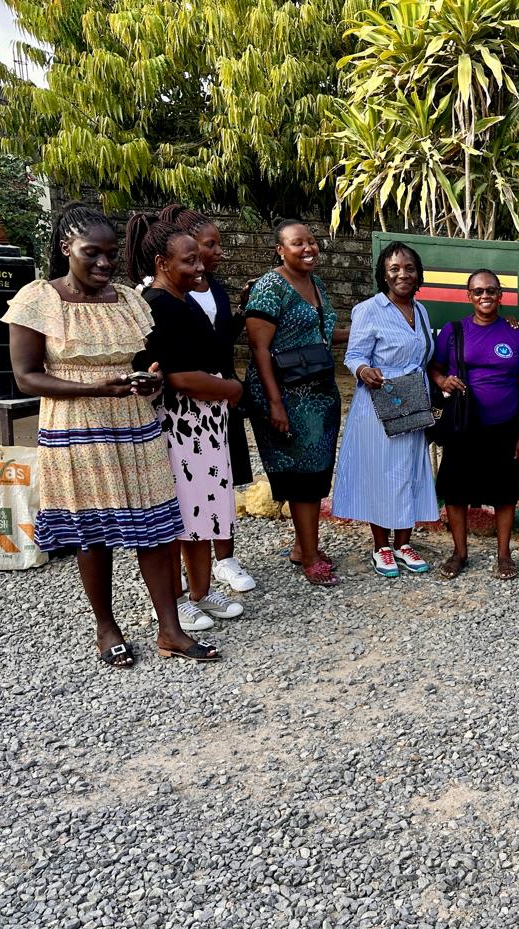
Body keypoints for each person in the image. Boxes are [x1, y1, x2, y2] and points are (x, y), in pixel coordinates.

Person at [2, 203, 218, 666]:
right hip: (75, 431)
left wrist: (150, 378)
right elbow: (25, 377)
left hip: (135, 425)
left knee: (155, 530)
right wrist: (93, 387)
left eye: (110, 254)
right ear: (66, 249)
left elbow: (137, 363)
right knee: (92, 533)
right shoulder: (37, 300)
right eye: (91, 253)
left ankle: (170, 630)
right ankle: (106, 626)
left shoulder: (129, 300)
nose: (103, 263)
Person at [128, 212, 246, 633]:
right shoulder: (158, 306)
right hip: (182, 426)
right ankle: (176, 600)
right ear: (163, 264)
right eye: (189, 261)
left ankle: (200, 592)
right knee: (181, 517)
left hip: (207, 424)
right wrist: (231, 390)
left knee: (206, 510)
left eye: (199, 259)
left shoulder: (184, 300)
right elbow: (173, 375)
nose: (199, 268)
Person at [158, 204, 256, 593]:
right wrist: (229, 388)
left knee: (220, 480)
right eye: (207, 247)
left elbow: (218, 343)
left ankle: (223, 561)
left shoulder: (213, 287)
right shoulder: (165, 297)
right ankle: (184, 584)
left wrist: (240, 314)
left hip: (217, 403)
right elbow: (176, 368)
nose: (214, 255)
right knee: (190, 493)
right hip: (190, 409)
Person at [243, 219, 347, 586]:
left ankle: (305, 546)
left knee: (317, 473)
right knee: (302, 475)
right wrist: (275, 403)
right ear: (280, 250)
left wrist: (364, 330)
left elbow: (321, 334)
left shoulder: (315, 284)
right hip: (285, 393)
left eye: (312, 242)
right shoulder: (272, 286)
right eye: (297, 243)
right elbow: (259, 347)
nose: (308, 248)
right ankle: (309, 556)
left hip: (318, 394)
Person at [332, 241, 439, 577]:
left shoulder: (421, 311)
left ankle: (404, 542)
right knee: (381, 474)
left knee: (409, 471)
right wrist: (364, 371)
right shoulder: (369, 309)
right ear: (383, 274)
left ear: (418, 273)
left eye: (409, 268)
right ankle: (381, 547)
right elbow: (353, 356)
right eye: (394, 268)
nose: (402, 274)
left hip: (412, 403)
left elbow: (423, 357)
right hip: (378, 405)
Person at [429, 269, 519, 580]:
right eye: (477, 291)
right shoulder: (454, 330)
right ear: (468, 296)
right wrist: (443, 379)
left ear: (501, 296)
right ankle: (459, 552)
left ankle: (504, 554)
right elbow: (434, 368)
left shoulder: (515, 336)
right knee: (457, 491)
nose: (484, 296)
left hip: (504, 426)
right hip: (464, 425)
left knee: (504, 493)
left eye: (490, 290)